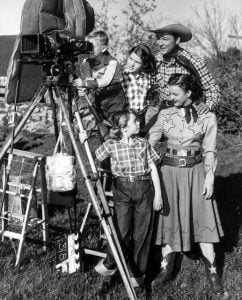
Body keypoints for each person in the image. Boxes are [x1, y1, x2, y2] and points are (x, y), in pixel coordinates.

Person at [148, 73, 224, 295]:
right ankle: (166, 268)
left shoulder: (207, 117)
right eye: (169, 93)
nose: (170, 97)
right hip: (169, 172)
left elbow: (210, 149)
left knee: (203, 216)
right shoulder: (164, 114)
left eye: (175, 93)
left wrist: (210, 176)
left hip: (196, 171)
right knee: (168, 216)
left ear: (189, 93)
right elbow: (150, 142)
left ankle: (212, 271)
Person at [79, 109, 162, 289]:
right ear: (124, 127)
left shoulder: (143, 143)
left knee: (142, 234)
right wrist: (84, 139)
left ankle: (137, 276)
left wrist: (159, 195)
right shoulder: (112, 145)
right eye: (135, 122)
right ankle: (110, 264)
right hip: (122, 191)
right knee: (121, 231)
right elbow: (94, 158)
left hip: (144, 189)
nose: (139, 123)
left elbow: (153, 167)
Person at [146, 23, 220, 127]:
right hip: (164, 111)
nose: (160, 43)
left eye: (165, 39)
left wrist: (208, 104)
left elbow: (212, 88)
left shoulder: (193, 62)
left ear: (177, 41)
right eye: (158, 39)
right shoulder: (155, 61)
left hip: (187, 113)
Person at [74, 30, 126, 122]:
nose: (89, 49)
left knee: (116, 121)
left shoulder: (112, 62)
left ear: (103, 48)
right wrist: (84, 88)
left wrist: (85, 83)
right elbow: (87, 78)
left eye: (92, 46)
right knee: (99, 123)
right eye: (88, 45)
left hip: (114, 98)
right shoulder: (87, 62)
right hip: (99, 98)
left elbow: (104, 81)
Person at [121, 44, 156, 133]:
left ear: (143, 64)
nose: (132, 64)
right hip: (126, 118)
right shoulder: (121, 76)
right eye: (131, 59)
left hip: (141, 118)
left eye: (137, 62)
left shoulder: (147, 78)